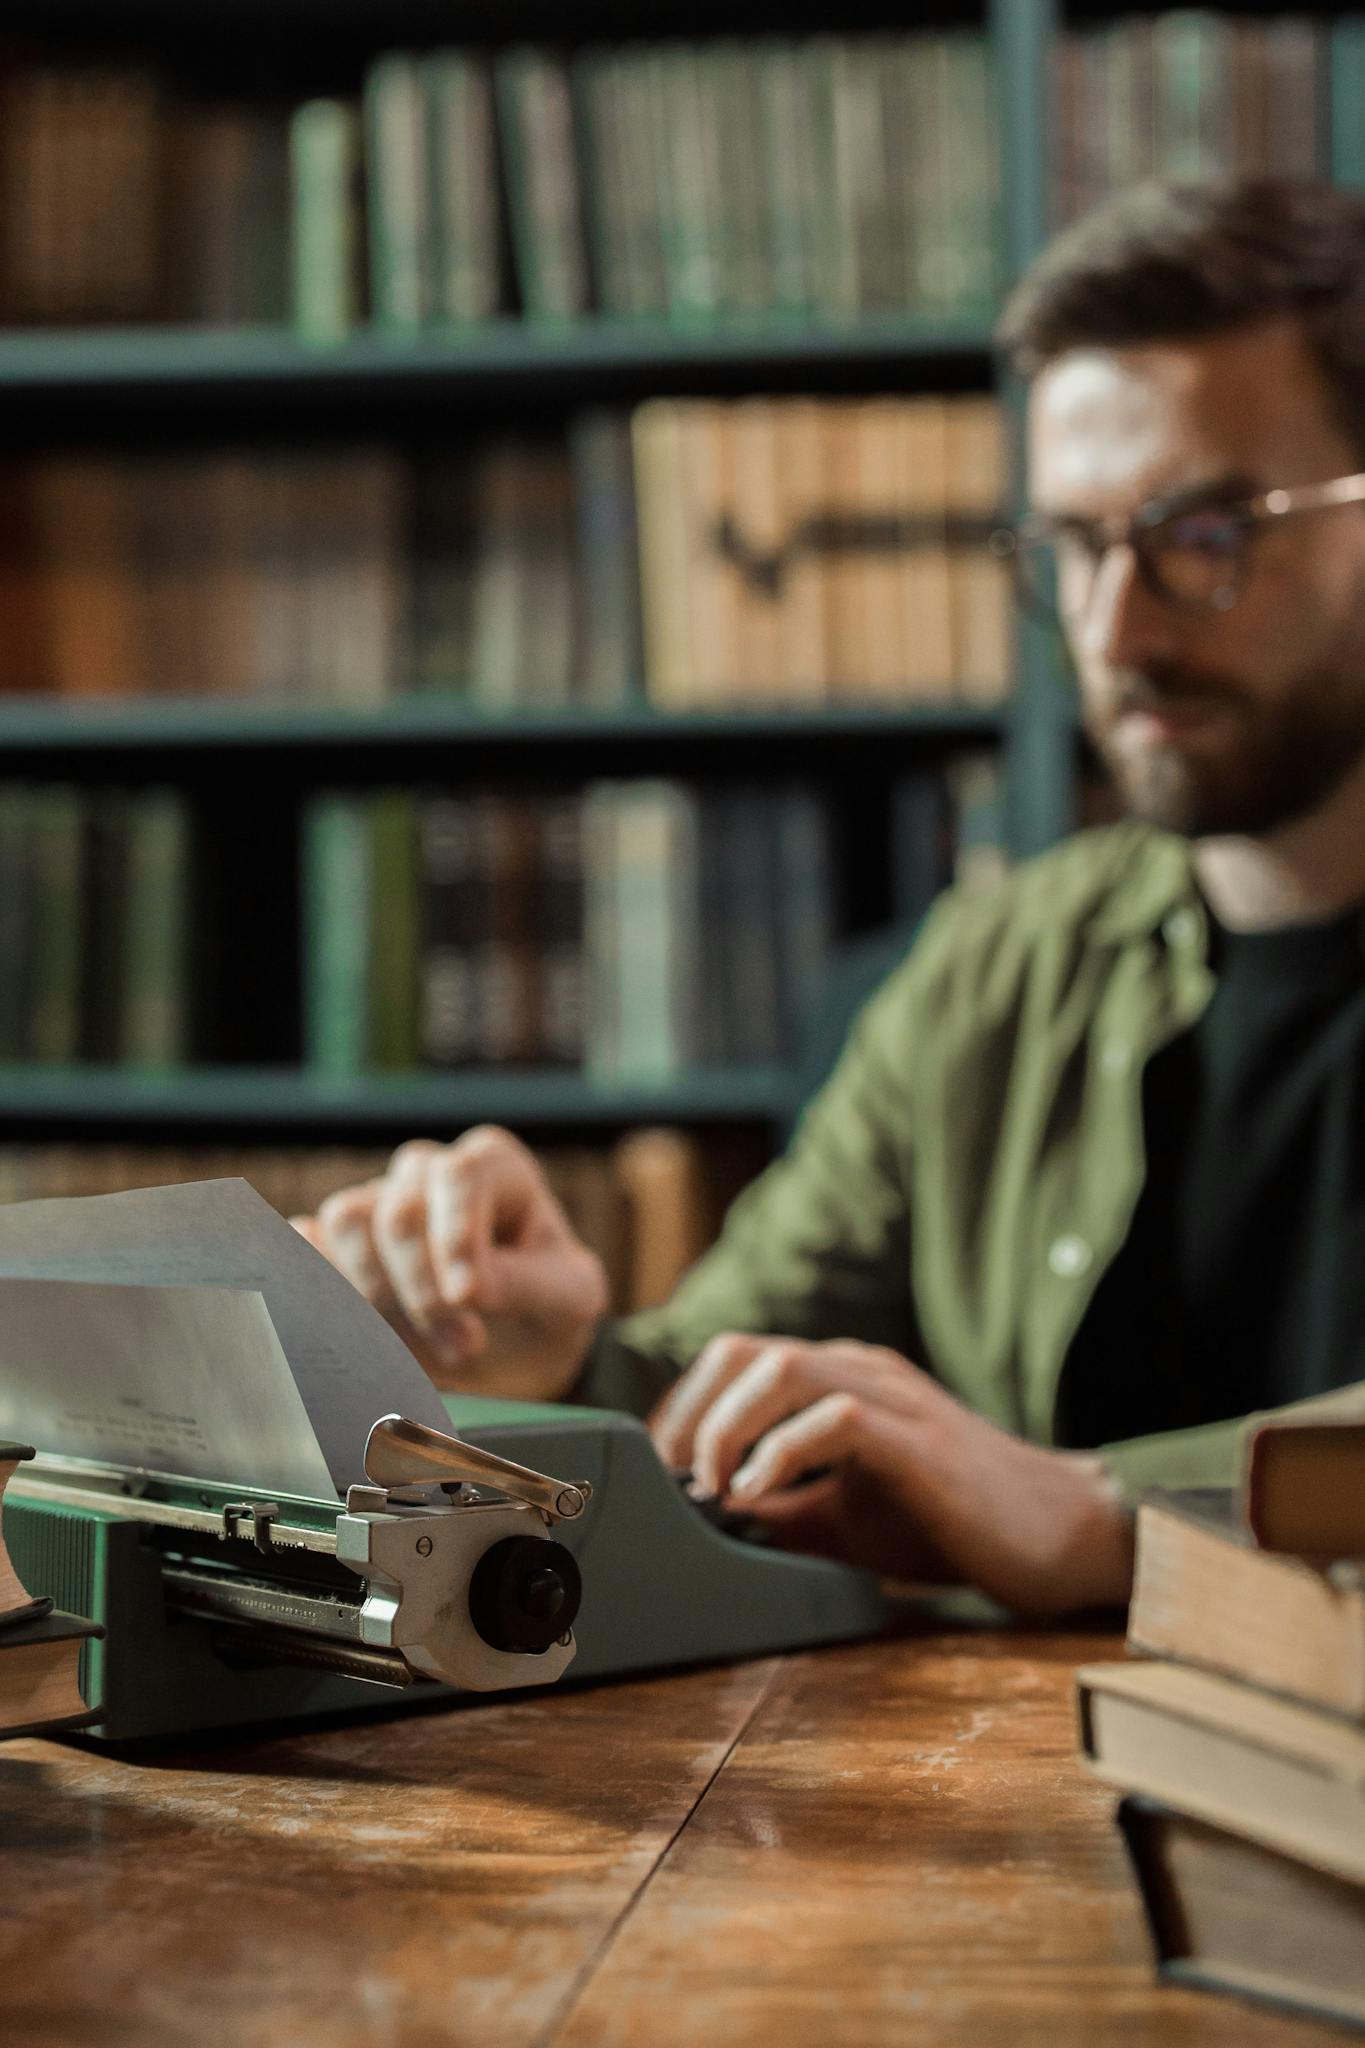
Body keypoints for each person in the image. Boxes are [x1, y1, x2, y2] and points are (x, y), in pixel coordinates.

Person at [294, 178, 1365, 1617]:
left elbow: (1051, 1511)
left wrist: (1102, 1513)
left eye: (1203, 534)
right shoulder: (999, 964)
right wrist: (561, 1354)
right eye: (1072, 544)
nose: (1113, 628)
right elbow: (736, 1383)